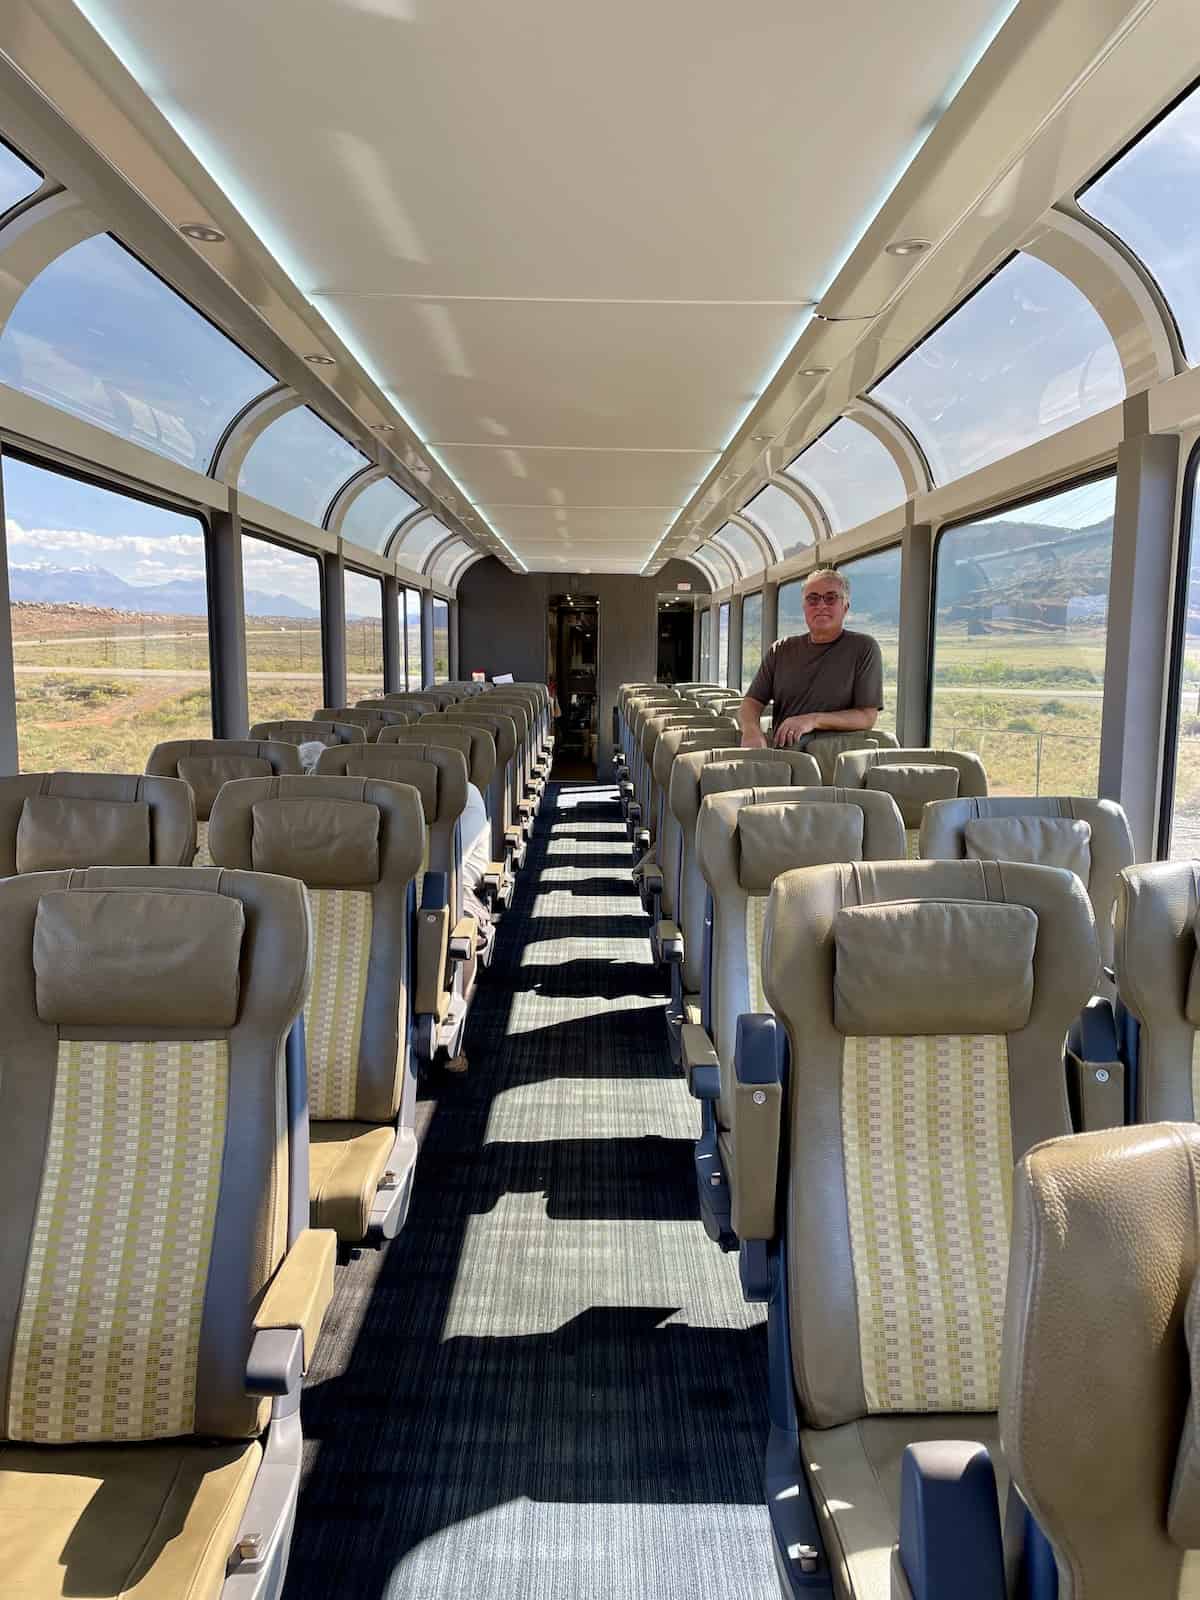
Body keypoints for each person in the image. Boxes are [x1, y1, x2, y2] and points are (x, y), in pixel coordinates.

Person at [739, 567, 883, 748]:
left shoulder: (863, 648)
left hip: (836, 760)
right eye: (813, 599)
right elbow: (752, 702)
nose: (821, 605)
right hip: (785, 757)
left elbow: (867, 716)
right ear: (804, 607)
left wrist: (813, 720)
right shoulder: (781, 650)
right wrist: (751, 730)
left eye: (830, 598)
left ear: (845, 607)